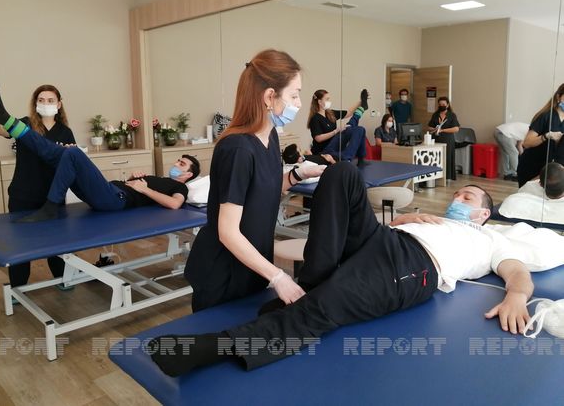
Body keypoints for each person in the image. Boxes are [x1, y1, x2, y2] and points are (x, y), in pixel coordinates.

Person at [148, 161, 564, 377]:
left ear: (484, 213)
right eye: (457, 194)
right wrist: (406, 220)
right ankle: (314, 281)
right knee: (343, 173)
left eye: (467, 197)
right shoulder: (433, 219)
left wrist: (516, 297)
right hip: (383, 239)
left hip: (413, 267)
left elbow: (517, 273)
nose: (458, 198)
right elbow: (374, 224)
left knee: (325, 308)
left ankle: (210, 349)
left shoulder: (491, 239)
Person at [184, 49, 325, 312]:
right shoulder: (237, 149)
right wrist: (278, 276)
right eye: (294, 95)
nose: (298, 103)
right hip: (223, 275)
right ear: (270, 96)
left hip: (253, 266)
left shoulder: (270, 137)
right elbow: (228, 232)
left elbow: (262, 191)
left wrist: (297, 175)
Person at [0, 82, 200, 223]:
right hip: (107, 191)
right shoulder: (164, 180)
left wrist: (145, 189)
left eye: (181, 164)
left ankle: (6, 118)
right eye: (178, 160)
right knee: (69, 154)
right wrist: (137, 179)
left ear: (189, 175)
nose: (176, 163)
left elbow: (174, 204)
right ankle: (4, 118)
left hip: (115, 198)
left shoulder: (180, 187)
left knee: (73, 153)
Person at [0, 82, 76, 289]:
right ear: (35, 103)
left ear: (59, 104)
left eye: (50, 100)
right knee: (21, 245)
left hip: (52, 196)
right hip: (23, 195)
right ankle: (18, 288)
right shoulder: (24, 125)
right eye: (41, 100)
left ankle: (63, 279)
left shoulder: (65, 132)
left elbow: (70, 164)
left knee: (57, 243)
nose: (45, 103)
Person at [517, 83, 564, 187]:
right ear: (558, 97)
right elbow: (527, 143)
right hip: (531, 166)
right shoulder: (545, 116)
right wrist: (546, 136)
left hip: (549, 170)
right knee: (527, 193)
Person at [306, 89, 368, 164]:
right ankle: (347, 157)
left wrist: (361, 101)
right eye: (327, 99)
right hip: (325, 151)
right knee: (352, 126)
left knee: (359, 129)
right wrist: (336, 131)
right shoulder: (315, 118)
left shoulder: (330, 113)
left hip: (335, 145)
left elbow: (348, 112)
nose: (329, 101)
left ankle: (363, 107)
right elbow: (318, 138)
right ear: (319, 102)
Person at [427, 96, 460, 181]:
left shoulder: (452, 115)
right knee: (436, 157)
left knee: (447, 157)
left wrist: (443, 130)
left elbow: (456, 129)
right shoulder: (435, 115)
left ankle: (447, 176)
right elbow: (429, 127)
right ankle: (436, 175)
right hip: (436, 140)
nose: (441, 106)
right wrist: (435, 129)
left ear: (447, 105)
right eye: (440, 104)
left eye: (443, 104)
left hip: (447, 140)